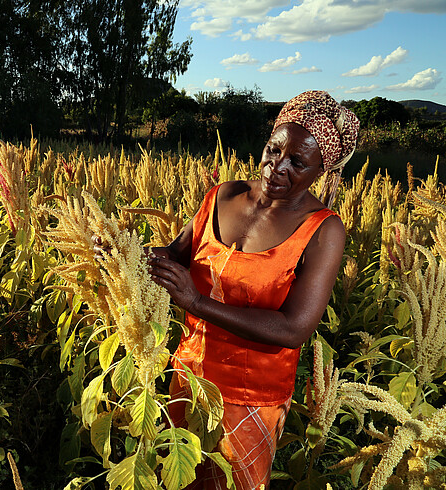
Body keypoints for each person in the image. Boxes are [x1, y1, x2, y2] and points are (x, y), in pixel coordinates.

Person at [145, 90, 360, 489]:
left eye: (297, 162)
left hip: (249, 398)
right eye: (273, 149)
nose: (277, 167)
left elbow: (294, 328)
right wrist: (124, 252)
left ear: (321, 171)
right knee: (174, 479)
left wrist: (196, 302)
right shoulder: (222, 195)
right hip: (188, 375)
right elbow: (177, 255)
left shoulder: (323, 231)